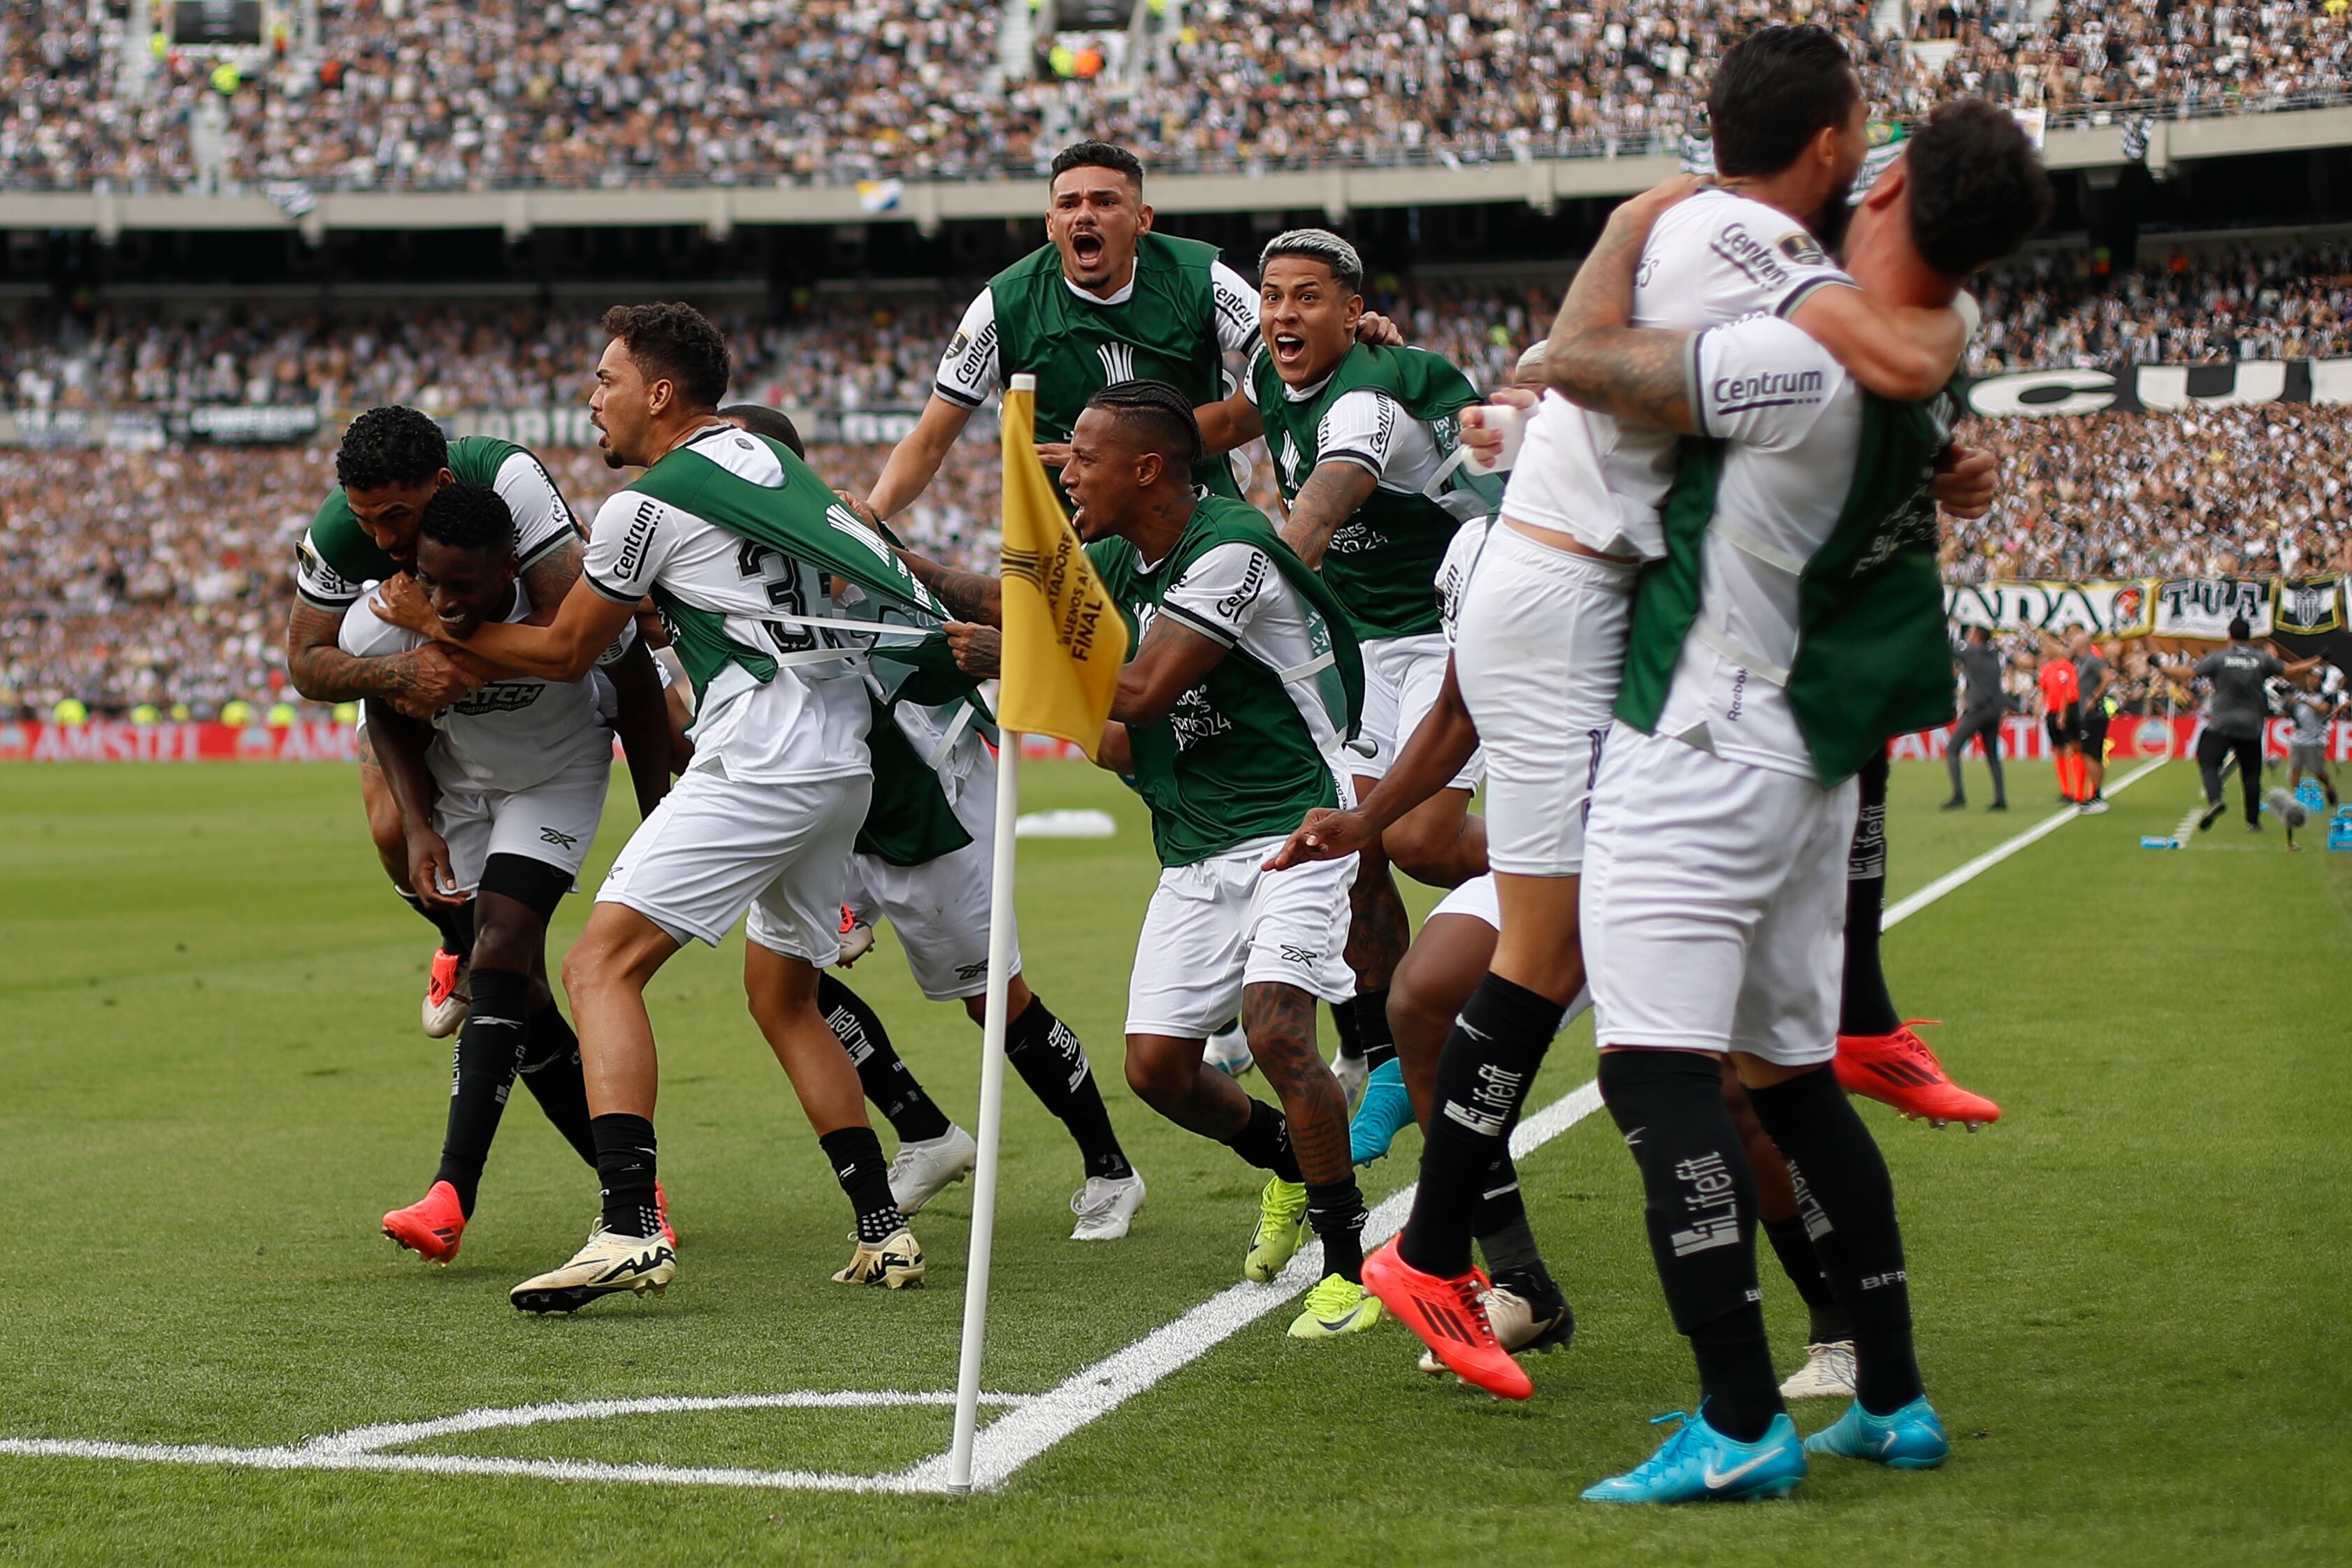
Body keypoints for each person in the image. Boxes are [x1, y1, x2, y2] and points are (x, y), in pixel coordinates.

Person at [1349, 24, 1984, 1390]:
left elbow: (1630, 391)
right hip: (1567, 600)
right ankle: (1443, 1252)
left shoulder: (1704, 230)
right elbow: (1632, 368)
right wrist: (1916, 397)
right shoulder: (1751, 257)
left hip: (1560, 584)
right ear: (1825, 146)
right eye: (1858, 129)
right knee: (1576, 966)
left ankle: (1455, 1249)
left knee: (1566, 960)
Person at [1533, 97, 2049, 1502]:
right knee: (1788, 1077)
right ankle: (1886, 1394)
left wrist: (1637, 217)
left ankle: (1738, 1417)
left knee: (1650, 1072)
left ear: (1879, 198)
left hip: (1701, 741)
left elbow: (1567, 360)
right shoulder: (1937, 361)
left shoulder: (1785, 364)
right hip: (1810, 759)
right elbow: (1916, 354)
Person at [373, 303, 962, 1310]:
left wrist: (433, 620)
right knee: (783, 998)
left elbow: (568, 650)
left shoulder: (646, 506)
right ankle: (882, 1226)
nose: (590, 398)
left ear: (659, 394)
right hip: (837, 759)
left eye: (605, 380)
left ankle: (628, 1227)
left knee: (597, 965)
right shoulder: (771, 464)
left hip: (762, 754)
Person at [946, 380, 1380, 1340]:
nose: (1068, 479)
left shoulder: (1229, 549)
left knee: (1275, 1034)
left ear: (1148, 470)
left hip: (1291, 826)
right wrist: (893, 560)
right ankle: (1287, 1165)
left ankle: (1351, 1266)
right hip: (1193, 840)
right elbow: (1008, 596)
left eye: (1085, 461)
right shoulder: (1109, 555)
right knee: (1156, 1070)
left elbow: (1138, 692)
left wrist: (1011, 665)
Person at [724, 404, 1146, 1241]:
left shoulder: (854, 553)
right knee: (781, 987)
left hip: (928, 813)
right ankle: (924, 1131)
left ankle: (1110, 1168)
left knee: (997, 1005)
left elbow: (952, 650)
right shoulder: (723, 568)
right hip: (829, 814)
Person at [1189, 226, 1499, 1168]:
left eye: (1308, 296)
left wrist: (1212, 618)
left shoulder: (1366, 406)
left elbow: (1313, 522)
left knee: (1416, 840)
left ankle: (1588, 873)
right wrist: (1095, 443)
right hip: (1369, 647)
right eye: (1272, 295)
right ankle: (1395, 1046)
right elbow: (1222, 427)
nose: (1283, 312)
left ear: (1354, 312)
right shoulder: (1274, 379)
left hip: (1462, 621)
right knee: (1345, 833)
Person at [342, 481, 674, 1263]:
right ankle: (630, 1184)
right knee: (517, 994)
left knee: (501, 948)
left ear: (511, 567)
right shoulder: (385, 618)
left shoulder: (572, 603)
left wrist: (658, 808)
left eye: (468, 586)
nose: (447, 602)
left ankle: (449, 1196)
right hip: (460, 795)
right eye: (432, 582)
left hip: (554, 780)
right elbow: (386, 710)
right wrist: (420, 826)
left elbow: (634, 694)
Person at [867, 141, 1394, 525]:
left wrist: (1347, 341)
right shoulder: (1002, 306)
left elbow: (1288, 366)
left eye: (1104, 202)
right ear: (1050, 224)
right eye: (1069, 205)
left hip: (1195, 518)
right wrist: (874, 511)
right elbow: (930, 440)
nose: (1084, 215)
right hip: (1069, 537)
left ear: (1142, 218)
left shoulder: (1199, 278)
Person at [283, 407, 584, 1037]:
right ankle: (460, 945)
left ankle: (837, 880)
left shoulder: (512, 480)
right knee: (392, 829)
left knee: (666, 712)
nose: (384, 540)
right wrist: (402, 676)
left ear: (440, 486)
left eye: (396, 517)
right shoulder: (340, 531)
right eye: (367, 521)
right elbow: (306, 665)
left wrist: (445, 657)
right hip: (411, 674)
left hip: (530, 666)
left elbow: (568, 626)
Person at [2164, 616, 2320, 832]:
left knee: (2208, 761)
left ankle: (2215, 799)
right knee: (2251, 775)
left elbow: (2188, 674)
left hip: (2222, 724)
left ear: (2229, 636)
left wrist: (2160, 666)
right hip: (2251, 725)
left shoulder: (2219, 658)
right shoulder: (2261, 658)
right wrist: (2317, 660)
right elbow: (2292, 671)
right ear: (2249, 637)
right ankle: (2253, 822)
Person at [1942, 623, 2008, 810]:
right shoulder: (1995, 655)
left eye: (1971, 632)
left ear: (1978, 636)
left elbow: (1949, 648)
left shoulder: (1971, 652)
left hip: (1978, 709)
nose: (1968, 635)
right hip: (1995, 709)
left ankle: (1958, 795)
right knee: (1992, 755)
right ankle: (2000, 798)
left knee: (1952, 749)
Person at [2285, 668, 2342, 808]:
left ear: (2321, 679)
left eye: (2316, 677)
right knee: (2295, 769)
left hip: (2314, 740)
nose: (2312, 680)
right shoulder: (2300, 693)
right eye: (2310, 676)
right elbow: (2288, 712)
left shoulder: (2325, 695)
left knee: (2318, 771)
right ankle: (2295, 799)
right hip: (2298, 738)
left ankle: (2330, 788)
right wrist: (2289, 703)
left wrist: (2305, 701)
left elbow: (2323, 709)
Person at [2036, 638, 2084, 804]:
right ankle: (2066, 791)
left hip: (2069, 711)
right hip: (2052, 712)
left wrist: (2063, 714)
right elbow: (2043, 692)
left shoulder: (2069, 667)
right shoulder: (2046, 669)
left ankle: (2079, 791)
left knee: (2075, 748)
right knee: (2058, 750)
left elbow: (2069, 692)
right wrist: (2037, 715)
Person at [2072, 628, 2113, 811]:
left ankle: (2096, 796)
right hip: (2091, 714)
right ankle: (2096, 794)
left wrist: (2094, 698)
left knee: (2090, 753)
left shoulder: (2093, 661)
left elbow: (2108, 677)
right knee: (2093, 754)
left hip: (2093, 715)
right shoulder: (2083, 663)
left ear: (2082, 645)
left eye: (2074, 642)